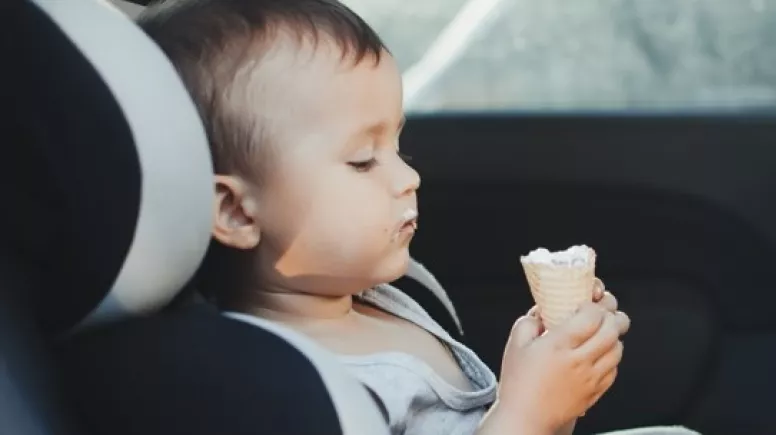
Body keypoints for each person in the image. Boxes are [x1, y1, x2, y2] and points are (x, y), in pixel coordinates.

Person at [136, 1, 699, 434]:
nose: (408, 177)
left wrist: (554, 389)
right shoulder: (280, 389)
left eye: (398, 147)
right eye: (362, 161)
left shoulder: (383, 302)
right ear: (236, 211)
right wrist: (525, 413)